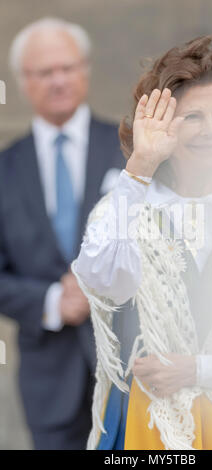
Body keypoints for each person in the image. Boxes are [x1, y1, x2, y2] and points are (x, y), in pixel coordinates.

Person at [73, 35, 212, 450]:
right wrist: (140, 164)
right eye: (193, 117)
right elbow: (100, 279)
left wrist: (198, 371)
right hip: (150, 429)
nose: (211, 131)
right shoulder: (129, 204)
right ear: (161, 124)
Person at [0, 18, 123, 450]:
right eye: (44, 72)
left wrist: (102, 287)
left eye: (67, 67)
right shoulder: (5, 168)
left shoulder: (132, 150)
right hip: (48, 382)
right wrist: (53, 300)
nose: (58, 80)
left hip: (130, 375)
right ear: (22, 81)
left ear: (85, 69)